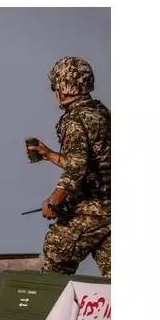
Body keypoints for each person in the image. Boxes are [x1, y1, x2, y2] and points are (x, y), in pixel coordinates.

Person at [26, 56, 110, 279]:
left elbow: (76, 168)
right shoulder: (100, 113)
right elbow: (91, 163)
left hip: (91, 208)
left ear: (62, 88)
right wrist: (49, 155)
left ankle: (49, 300)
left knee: (57, 251)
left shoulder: (74, 120)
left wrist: (53, 202)